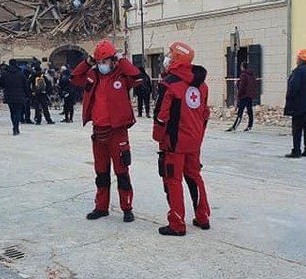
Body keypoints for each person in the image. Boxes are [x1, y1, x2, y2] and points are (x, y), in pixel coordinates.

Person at [71, 39, 143, 223]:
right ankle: (101, 207)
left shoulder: (122, 75)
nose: (101, 65)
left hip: (117, 132)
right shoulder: (92, 75)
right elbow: (74, 78)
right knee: (101, 172)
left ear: (113, 60)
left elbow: (138, 78)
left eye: (104, 61)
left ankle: (127, 207)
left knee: (122, 172)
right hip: (99, 132)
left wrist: (122, 61)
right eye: (98, 62)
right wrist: (87, 62)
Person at [153, 41, 211, 236]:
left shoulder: (169, 85)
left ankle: (177, 223)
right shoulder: (201, 85)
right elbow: (204, 114)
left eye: (170, 54)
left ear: (177, 58)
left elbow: (161, 116)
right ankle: (202, 217)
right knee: (195, 177)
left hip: (174, 142)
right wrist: (198, 137)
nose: (167, 57)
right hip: (194, 141)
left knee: (173, 180)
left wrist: (158, 138)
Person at [227, 61, 258, 132]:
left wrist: (239, 95)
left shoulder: (243, 75)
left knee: (240, 112)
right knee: (250, 111)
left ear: (242, 67)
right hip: (249, 96)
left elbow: (242, 86)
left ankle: (234, 127)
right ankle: (250, 126)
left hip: (244, 96)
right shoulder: (252, 75)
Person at [0, 61, 28, 135]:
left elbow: (1, 85)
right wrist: (27, 95)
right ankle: (16, 127)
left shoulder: (4, 73)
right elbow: (25, 86)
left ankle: (14, 127)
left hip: (9, 95)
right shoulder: (21, 73)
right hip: (19, 95)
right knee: (18, 112)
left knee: (12, 112)